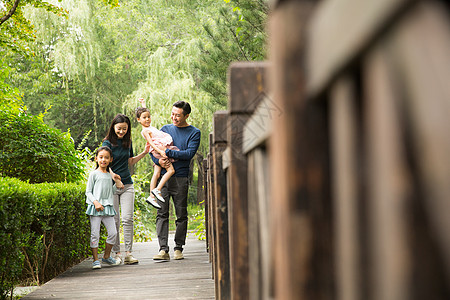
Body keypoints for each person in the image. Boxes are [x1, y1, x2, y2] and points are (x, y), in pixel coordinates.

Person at [151, 101, 201, 261]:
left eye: (177, 115)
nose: (173, 117)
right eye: (172, 114)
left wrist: (168, 153)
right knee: (161, 213)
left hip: (180, 177)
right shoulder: (165, 129)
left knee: (181, 214)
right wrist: (158, 161)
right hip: (164, 178)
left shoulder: (194, 132)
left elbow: (189, 154)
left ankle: (178, 248)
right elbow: (154, 150)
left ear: (186, 116)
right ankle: (163, 250)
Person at [102, 114, 150, 265]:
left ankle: (129, 253)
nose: (121, 131)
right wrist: (115, 178)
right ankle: (117, 253)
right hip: (111, 186)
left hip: (127, 184)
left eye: (124, 129)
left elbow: (130, 161)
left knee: (127, 219)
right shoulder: (107, 143)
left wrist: (143, 153)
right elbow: (103, 164)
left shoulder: (128, 142)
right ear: (113, 127)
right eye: (119, 129)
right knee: (114, 220)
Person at [135, 99, 180, 209]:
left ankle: (151, 196)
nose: (147, 119)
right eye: (144, 118)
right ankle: (157, 189)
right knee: (171, 170)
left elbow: (144, 112)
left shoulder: (148, 127)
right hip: (157, 151)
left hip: (158, 150)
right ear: (138, 120)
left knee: (157, 173)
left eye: (148, 117)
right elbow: (151, 144)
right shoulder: (145, 131)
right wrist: (161, 151)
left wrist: (143, 104)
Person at [85, 146, 122, 269]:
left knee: (113, 233)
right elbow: (88, 192)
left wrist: (117, 182)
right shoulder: (93, 174)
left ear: (111, 159)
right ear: (96, 158)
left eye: (106, 157)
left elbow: (110, 192)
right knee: (95, 234)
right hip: (95, 209)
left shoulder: (109, 176)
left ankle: (106, 257)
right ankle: (96, 260)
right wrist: (95, 202)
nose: (103, 160)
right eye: (101, 157)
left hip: (108, 208)